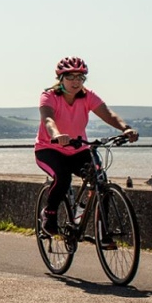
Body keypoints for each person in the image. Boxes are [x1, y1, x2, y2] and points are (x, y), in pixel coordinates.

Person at [35, 57, 138, 239]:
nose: (76, 82)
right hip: (49, 149)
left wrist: (125, 128)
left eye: (80, 78)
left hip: (78, 149)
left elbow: (108, 114)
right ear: (61, 78)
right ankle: (49, 213)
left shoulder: (87, 95)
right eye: (70, 77)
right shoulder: (49, 96)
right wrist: (57, 135)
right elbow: (48, 119)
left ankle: (102, 232)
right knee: (63, 177)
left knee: (100, 181)